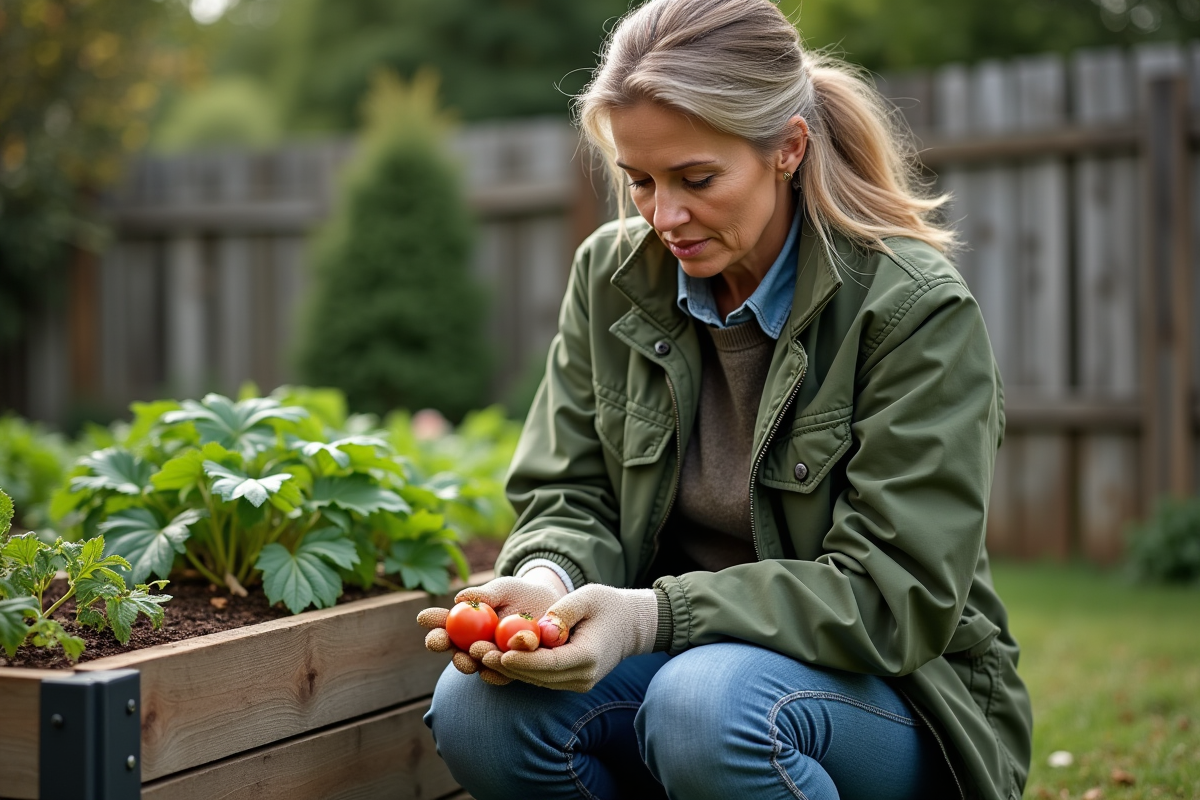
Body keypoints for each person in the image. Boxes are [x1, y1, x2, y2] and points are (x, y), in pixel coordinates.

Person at [418, 0, 1033, 798]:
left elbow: (893, 598)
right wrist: (548, 584)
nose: (664, 216)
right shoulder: (610, 280)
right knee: (478, 709)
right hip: (686, 673)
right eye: (640, 181)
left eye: (696, 179)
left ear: (787, 148)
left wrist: (651, 617)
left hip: (893, 698)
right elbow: (569, 493)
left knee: (704, 704)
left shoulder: (912, 311)